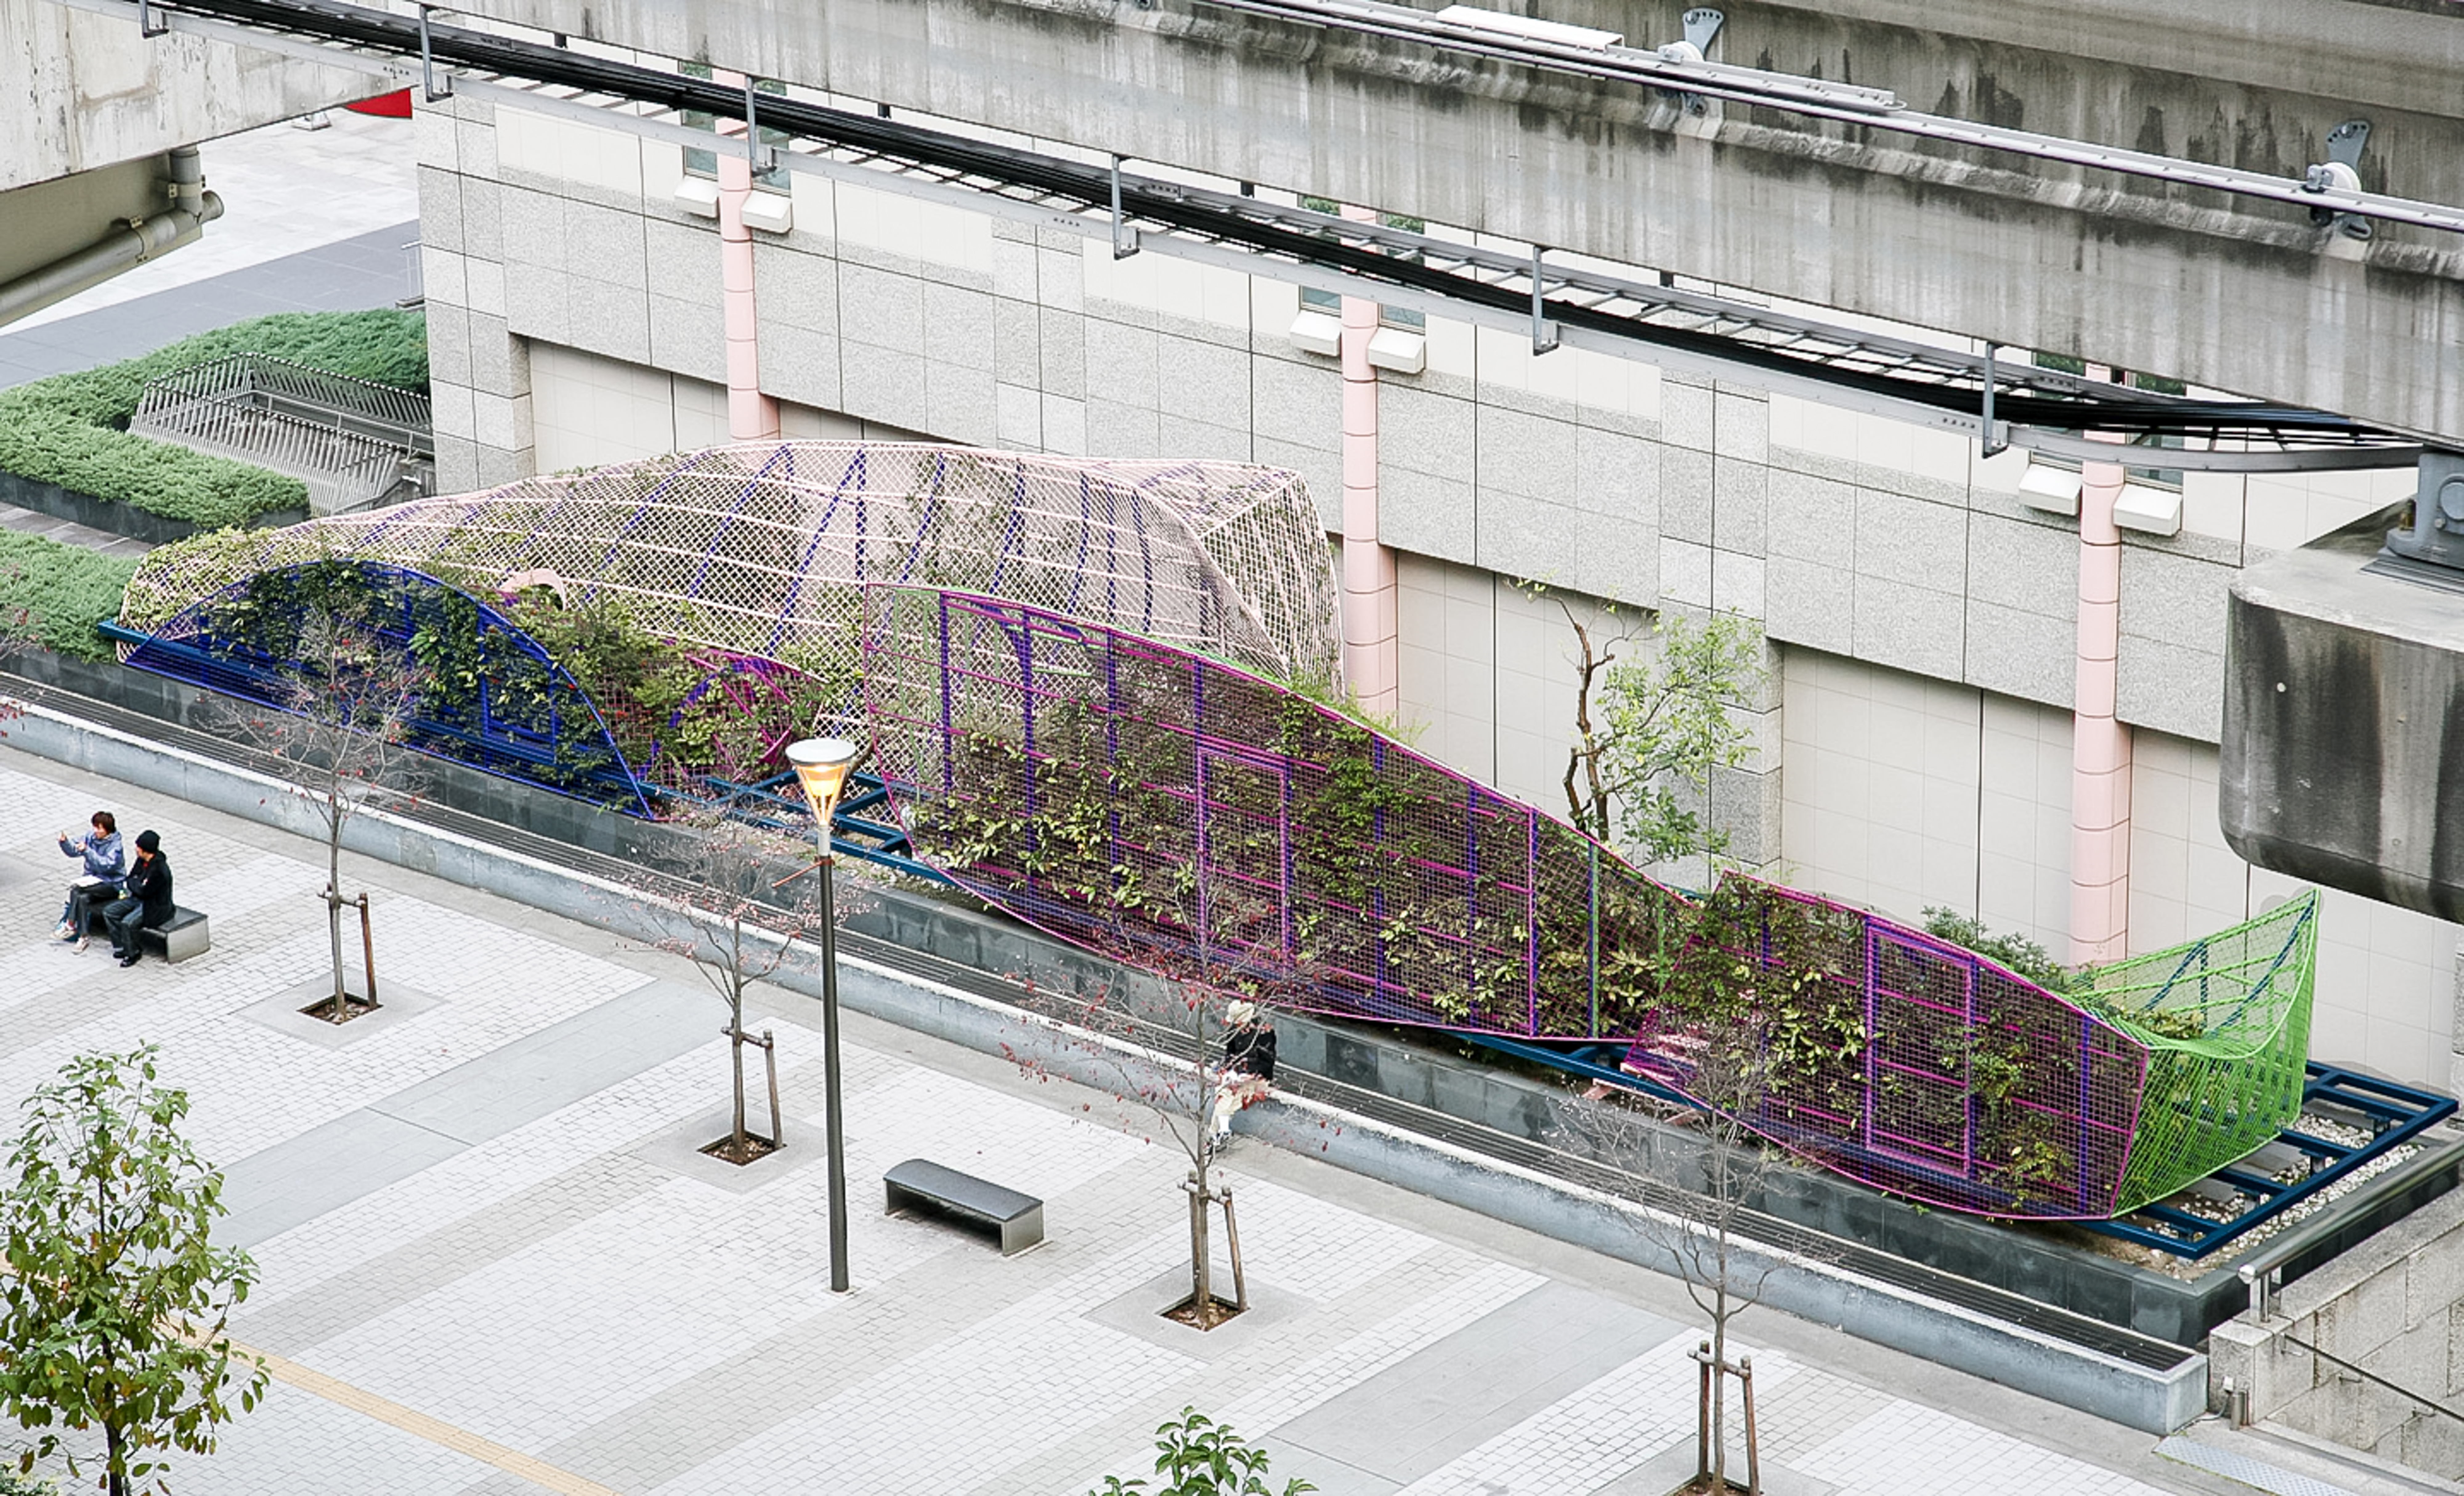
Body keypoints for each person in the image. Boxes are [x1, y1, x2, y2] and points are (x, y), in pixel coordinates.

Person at [1208, 999, 1278, 1144]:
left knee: (1232, 1102)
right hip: (1238, 1073)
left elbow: (1267, 1063)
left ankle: (1217, 1134)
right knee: (1223, 1094)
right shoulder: (1234, 1030)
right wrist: (1229, 1070)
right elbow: (1230, 1054)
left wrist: (1249, 1074)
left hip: (1257, 1078)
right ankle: (1221, 1133)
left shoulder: (1265, 1034)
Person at [53, 811, 124, 952]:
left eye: (100, 828)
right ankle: (83, 937)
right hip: (92, 883)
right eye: (95, 827)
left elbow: (105, 865)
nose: (96, 831)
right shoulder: (90, 837)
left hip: (111, 884)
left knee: (76, 890)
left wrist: (88, 852)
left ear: (108, 830)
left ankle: (71, 924)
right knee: (83, 899)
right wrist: (65, 843)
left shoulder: (116, 847)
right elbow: (74, 849)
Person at [103, 829, 174, 968]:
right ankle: (122, 946)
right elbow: (131, 879)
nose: (136, 850)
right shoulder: (142, 861)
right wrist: (138, 884)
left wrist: (137, 884)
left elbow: (145, 892)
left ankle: (133, 952)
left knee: (128, 923)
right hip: (138, 898)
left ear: (145, 850)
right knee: (109, 912)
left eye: (138, 847)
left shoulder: (160, 870)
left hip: (154, 906)